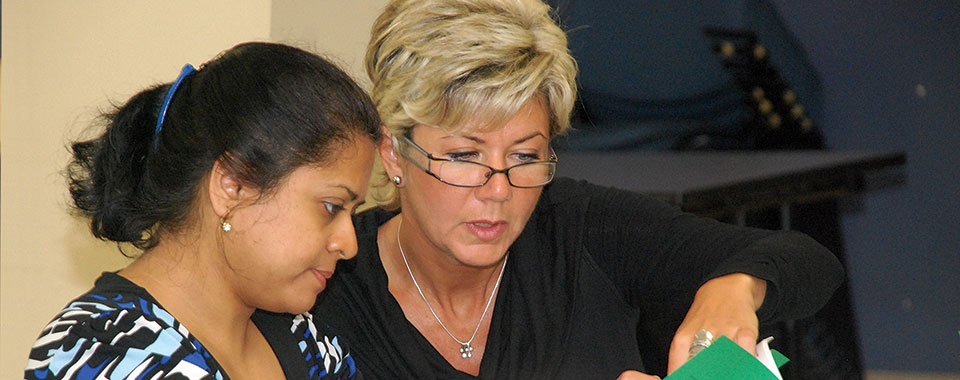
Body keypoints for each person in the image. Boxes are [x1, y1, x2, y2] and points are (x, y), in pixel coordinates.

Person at [311, 0, 844, 379]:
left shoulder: (576, 229)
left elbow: (807, 262)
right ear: (391, 153)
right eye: (464, 156)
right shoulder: (329, 283)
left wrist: (731, 290)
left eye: (525, 156)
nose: (498, 190)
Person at [24, 42, 380, 380]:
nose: (348, 243)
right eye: (331, 207)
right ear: (233, 185)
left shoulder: (305, 339)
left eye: (352, 211)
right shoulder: (108, 349)